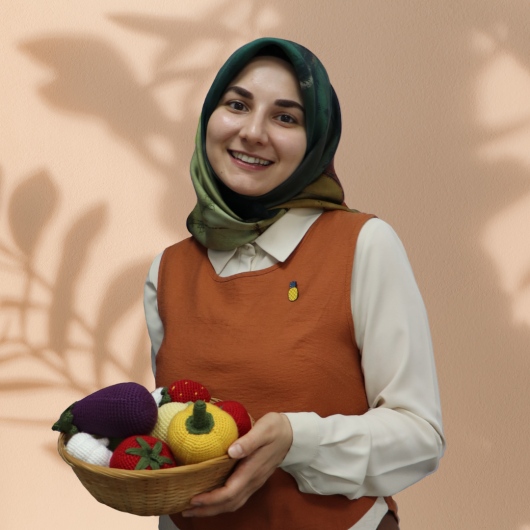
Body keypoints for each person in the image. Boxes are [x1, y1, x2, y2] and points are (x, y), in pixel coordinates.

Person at [144, 37, 445, 530]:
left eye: (285, 117)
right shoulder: (168, 271)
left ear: (316, 140)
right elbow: (175, 437)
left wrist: (296, 440)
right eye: (237, 105)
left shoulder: (363, 244)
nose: (252, 132)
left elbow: (420, 437)